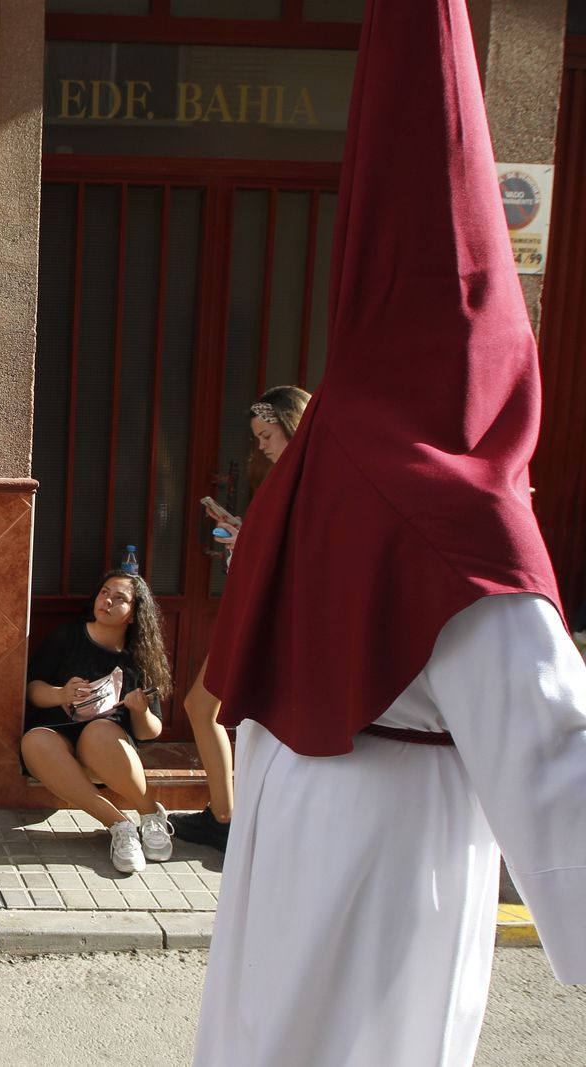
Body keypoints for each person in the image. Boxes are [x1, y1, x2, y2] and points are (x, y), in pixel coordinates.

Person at [193, 2, 586, 1064]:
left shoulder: (324, 455)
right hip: (390, 850)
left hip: (290, 816)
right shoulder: (459, 512)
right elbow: (553, 761)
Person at [173, 385, 310, 852]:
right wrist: (243, 538)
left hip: (273, 621)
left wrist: (245, 541)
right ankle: (226, 815)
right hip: (256, 612)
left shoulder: (308, 484)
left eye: (267, 434)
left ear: (293, 427)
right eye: (257, 437)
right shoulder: (292, 481)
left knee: (216, 710)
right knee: (206, 708)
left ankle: (230, 818)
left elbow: (298, 559)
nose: (262, 446)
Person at [22, 570, 175, 874]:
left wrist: (140, 710)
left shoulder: (138, 656)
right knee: (34, 741)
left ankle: (150, 815)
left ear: (133, 614)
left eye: (119, 598)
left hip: (107, 750)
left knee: (98, 731)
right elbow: (31, 690)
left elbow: (150, 731)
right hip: (59, 737)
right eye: (104, 592)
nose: (107, 601)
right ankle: (119, 825)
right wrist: (61, 694)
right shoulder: (67, 636)